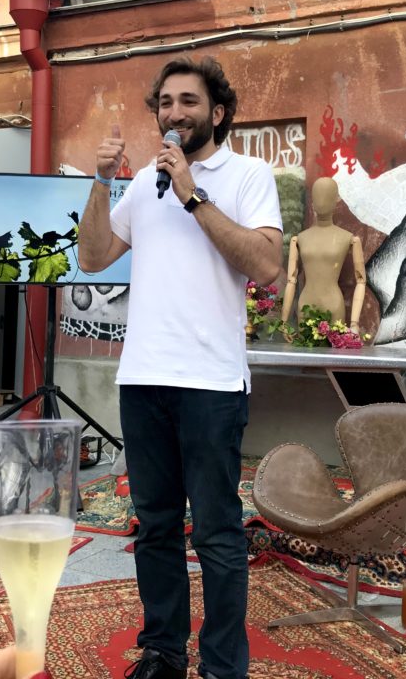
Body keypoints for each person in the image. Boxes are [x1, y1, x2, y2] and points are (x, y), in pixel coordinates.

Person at [78, 56, 283, 679]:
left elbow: (266, 264)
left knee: (217, 532)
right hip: (143, 380)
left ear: (217, 112)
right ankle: (163, 652)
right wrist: (101, 182)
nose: (174, 113)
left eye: (188, 101)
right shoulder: (145, 183)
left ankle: (222, 665)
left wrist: (193, 194)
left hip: (211, 385)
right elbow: (92, 257)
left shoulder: (248, 175)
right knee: (155, 527)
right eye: (165, 102)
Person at [280, 176, 365, 333]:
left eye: (327, 195)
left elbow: (361, 281)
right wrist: (284, 321)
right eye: (318, 195)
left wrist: (354, 322)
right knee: (304, 348)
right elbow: (291, 281)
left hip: (334, 306)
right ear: (312, 201)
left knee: (334, 348)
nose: (321, 201)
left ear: (336, 200)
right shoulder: (299, 239)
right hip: (305, 305)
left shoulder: (349, 239)